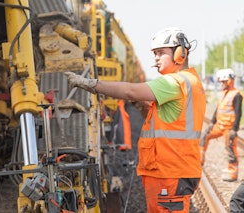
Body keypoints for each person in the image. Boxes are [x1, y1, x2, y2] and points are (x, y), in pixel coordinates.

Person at [65, 27, 206, 213]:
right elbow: (171, 120)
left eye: (161, 53)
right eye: (154, 53)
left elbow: (130, 91)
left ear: (180, 53)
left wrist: (91, 84)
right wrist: (144, 107)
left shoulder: (175, 82)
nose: (156, 58)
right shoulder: (190, 81)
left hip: (170, 172)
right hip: (172, 169)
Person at [200, 68, 243, 182]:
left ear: (229, 81)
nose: (221, 84)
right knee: (205, 136)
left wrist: (234, 129)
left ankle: (232, 174)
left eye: (223, 82)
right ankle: (199, 161)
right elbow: (218, 109)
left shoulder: (236, 95)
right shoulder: (224, 93)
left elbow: (238, 113)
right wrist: (212, 123)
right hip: (219, 126)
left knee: (230, 149)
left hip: (229, 128)